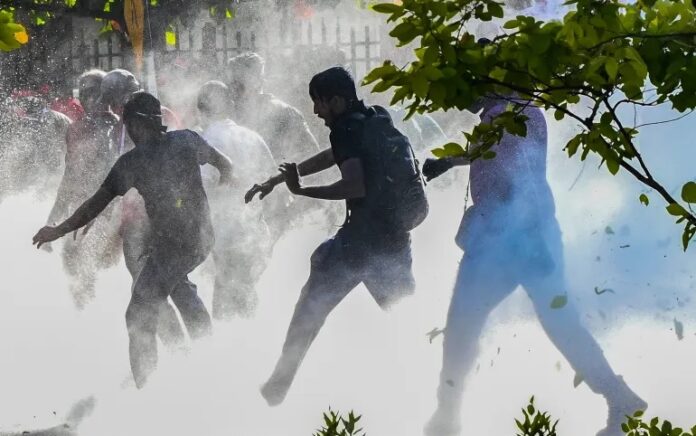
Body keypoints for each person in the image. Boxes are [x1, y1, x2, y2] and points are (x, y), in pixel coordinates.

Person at [421, 94, 646, 436]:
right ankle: (618, 395)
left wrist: (530, 237)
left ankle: (446, 419)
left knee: (462, 327)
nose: (457, 96)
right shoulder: (518, 110)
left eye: (467, 83)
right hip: (523, 236)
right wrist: (451, 161)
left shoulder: (503, 115)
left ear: (487, 80)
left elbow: (519, 174)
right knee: (560, 323)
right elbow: (494, 152)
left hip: (508, 241)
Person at [246, 66, 427, 406]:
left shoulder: (344, 129)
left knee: (309, 310)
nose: (316, 112)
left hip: (358, 245)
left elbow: (353, 184)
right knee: (407, 317)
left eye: (320, 103)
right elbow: (337, 155)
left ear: (338, 101)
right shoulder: (374, 117)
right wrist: (286, 176)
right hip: (394, 239)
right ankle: (424, 387)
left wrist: (301, 191)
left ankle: (274, 391)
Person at [33, 91, 234, 388]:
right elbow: (225, 164)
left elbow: (94, 205)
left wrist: (57, 230)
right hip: (195, 239)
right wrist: (224, 185)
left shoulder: (134, 161)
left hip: (178, 246)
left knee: (138, 313)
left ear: (136, 125)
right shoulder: (187, 140)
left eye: (127, 125)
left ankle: (151, 388)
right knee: (178, 291)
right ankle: (203, 364)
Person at [197, 80, 277, 319]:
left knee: (226, 297)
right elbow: (273, 182)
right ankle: (250, 343)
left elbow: (202, 187)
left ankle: (230, 348)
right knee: (246, 293)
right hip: (255, 230)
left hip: (224, 234)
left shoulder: (207, 141)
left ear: (200, 111)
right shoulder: (253, 137)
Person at [43, 69, 121, 309]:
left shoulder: (79, 128)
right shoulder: (125, 126)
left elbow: (70, 178)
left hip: (89, 211)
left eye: (88, 92)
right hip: (116, 214)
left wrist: (53, 219)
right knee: (107, 278)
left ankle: (87, 329)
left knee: (79, 276)